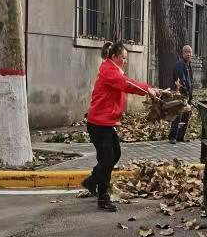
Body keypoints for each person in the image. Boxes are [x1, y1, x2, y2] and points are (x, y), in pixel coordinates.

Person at [82, 41, 159, 212]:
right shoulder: (110, 71)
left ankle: (92, 181)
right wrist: (147, 89)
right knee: (107, 160)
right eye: (123, 58)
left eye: (126, 58)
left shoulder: (112, 69)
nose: (125, 61)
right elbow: (126, 84)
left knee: (115, 154)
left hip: (105, 123)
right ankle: (103, 197)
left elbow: (126, 82)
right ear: (114, 56)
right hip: (98, 124)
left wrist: (150, 89)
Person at [169, 45, 194, 145]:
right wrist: (186, 93)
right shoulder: (179, 65)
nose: (188, 54)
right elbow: (181, 81)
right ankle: (172, 136)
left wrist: (190, 95)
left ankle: (180, 136)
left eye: (190, 52)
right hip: (180, 94)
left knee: (186, 116)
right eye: (186, 52)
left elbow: (190, 81)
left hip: (187, 95)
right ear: (182, 53)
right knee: (178, 115)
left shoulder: (188, 65)